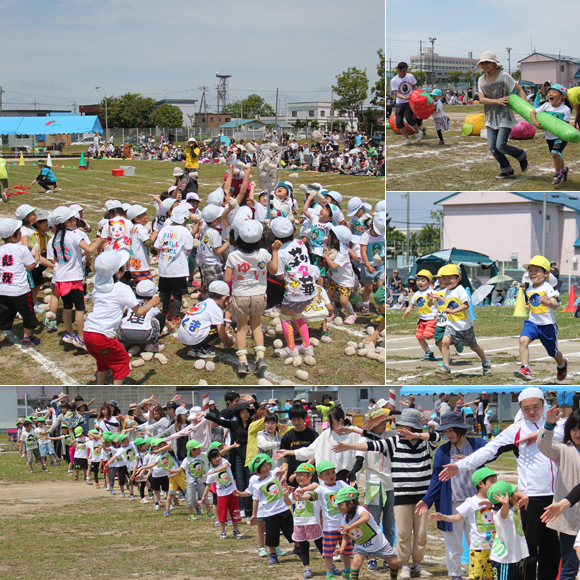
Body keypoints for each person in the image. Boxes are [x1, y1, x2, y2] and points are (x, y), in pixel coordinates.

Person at [439, 387, 562, 580]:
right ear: (520, 408)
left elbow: (573, 441)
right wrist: (460, 466)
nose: (532, 412)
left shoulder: (559, 424)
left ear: (544, 404)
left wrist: (545, 432)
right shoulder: (516, 430)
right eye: (526, 408)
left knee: (553, 549)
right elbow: (488, 450)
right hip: (531, 497)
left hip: (558, 498)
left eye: (536, 407)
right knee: (529, 550)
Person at [333, 408, 439, 579]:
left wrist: (417, 436)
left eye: (408, 427)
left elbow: (437, 437)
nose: (403, 429)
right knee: (398, 531)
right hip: (392, 492)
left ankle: (413, 563)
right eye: (402, 426)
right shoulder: (394, 441)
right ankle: (398, 563)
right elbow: (370, 443)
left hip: (418, 495)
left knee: (418, 532)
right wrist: (349, 446)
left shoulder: (421, 441)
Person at [416, 412, 490, 580]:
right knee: (453, 544)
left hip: (477, 503)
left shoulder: (477, 444)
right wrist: (427, 500)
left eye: (452, 430)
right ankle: (455, 574)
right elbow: (436, 478)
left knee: (478, 542)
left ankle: (478, 574)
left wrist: (471, 460)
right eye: (445, 431)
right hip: (451, 504)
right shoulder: (442, 451)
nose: (449, 434)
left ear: (460, 429)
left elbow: (492, 457)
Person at [83, 250, 160, 385]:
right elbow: (139, 312)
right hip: (103, 336)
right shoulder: (122, 288)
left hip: (88, 332)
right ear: (119, 271)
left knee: (102, 360)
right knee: (122, 362)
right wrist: (152, 303)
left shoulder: (97, 287)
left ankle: (100, 386)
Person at [345, 408, 395, 572]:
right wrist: (353, 472)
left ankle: (388, 555)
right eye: (382, 422)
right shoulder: (364, 440)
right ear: (373, 425)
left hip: (390, 485)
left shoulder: (389, 437)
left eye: (386, 421)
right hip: (373, 485)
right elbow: (359, 460)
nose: (385, 425)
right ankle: (371, 557)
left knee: (389, 524)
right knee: (372, 523)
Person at [429, 467, 500, 580]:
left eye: (496, 481)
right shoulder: (471, 502)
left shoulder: (497, 501)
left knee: (490, 576)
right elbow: (458, 517)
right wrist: (442, 517)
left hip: (494, 547)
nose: (495, 484)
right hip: (478, 547)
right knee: (475, 576)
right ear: (481, 484)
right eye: (492, 481)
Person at [537, 406, 580, 580]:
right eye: (574, 429)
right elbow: (543, 445)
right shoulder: (563, 450)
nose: (577, 433)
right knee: (569, 565)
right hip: (569, 516)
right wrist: (548, 425)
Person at [224, 220, 271, 376]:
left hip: (240, 295)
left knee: (242, 329)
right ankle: (260, 357)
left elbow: (227, 279)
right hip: (259, 294)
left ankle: (243, 361)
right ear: (260, 238)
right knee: (257, 326)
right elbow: (273, 269)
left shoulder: (233, 256)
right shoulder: (264, 254)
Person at [294, 461, 353, 580]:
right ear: (320, 477)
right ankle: (329, 573)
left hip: (345, 526)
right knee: (328, 553)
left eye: (333, 472)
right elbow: (311, 495)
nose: (332, 475)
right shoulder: (321, 489)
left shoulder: (341, 484)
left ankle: (347, 571)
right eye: (327, 473)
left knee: (346, 551)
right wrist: (301, 497)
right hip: (329, 527)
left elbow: (352, 492)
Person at [513, 255, 567, 382]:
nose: (532, 273)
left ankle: (562, 365)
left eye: (537, 270)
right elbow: (532, 306)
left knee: (553, 353)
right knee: (523, 340)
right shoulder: (530, 288)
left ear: (546, 273)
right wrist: (531, 316)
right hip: (533, 323)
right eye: (530, 270)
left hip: (547, 325)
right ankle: (525, 368)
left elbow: (555, 305)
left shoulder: (547, 287)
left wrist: (547, 302)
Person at [476, 51, 529, 178]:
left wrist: (526, 108)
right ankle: (507, 170)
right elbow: (482, 99)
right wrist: (496, 101)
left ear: (494, 63)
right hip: (490, 117)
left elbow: (519, 89)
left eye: (487, 62)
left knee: (501, 146)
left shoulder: (504, 76)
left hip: (505, 116)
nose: (485, 65)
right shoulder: (481, 80)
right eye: (482, 63)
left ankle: (521, 155)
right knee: (493, 148)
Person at [433, 264, 491, 377]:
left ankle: (485, 362)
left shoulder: (461, 290)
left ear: (459, 278)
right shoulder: (447, 291)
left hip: (465, 326)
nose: (447, 281)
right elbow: (447, 300)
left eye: (450, 278)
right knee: (445, 342)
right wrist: (438, 306)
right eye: (444, 278)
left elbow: (465, 305)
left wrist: (453, 311)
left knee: (474, 346)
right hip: (452, 324)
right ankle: (446, 366)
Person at [336, 486, 399, 580]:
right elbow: (346, 535)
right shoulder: (344, 517)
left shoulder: (360, 509)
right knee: (355, 565)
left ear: (351, 503)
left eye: (340, 504)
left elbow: (366, 518)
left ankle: (393, 578)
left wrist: (350, 526)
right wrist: (342, 547)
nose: (338, 507)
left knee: (394, 563)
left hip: (379, 542)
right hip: (361, 544)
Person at [0, 218, 41, 347]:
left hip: (3, 290)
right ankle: (27, 339)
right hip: (20, 291)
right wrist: (37, 256)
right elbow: (30, 266)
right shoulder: (22, 249)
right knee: (28, 314)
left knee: (2, 316)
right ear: (13, 236)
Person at [247, 454, 292, 565]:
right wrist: (254, 515)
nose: (267, 467)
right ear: (257, 472)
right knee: (272, 535)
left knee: (292, 531)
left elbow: (285, 464)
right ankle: (273, 555)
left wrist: (283, 472)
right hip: (270, 513)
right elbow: (255, 499)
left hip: (283, 509)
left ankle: (299, 549)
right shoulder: (257, 484)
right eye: (264, 466)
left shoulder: (274, 473)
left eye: (268, 464)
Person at [177, 280, 234, 359]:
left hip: (182, 337)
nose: (226, 303)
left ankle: (194, 347)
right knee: (220, 325)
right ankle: (204, 349)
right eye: (227, 300)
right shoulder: (216, 309)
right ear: (223, 298)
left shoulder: (202, 303)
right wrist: (229, 343)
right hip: (192, 338)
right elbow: (222, 335)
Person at [529, 84, 572, 185]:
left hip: (560, 136)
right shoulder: (546, 106)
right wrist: (535, 123)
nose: (550, 94)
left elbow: (564, 125)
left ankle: (558, 174)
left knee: (555, 154)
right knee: (557, 155)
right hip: (549, 137)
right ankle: (564, 169)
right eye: (549, 92)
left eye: (554, 92)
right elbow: (532, 113)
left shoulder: (565, 109)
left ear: (562, 96)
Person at [200, 446, 243, 539]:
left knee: (235, 512)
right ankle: (223, 531)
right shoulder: (211, 471)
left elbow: (225, 466)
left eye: (218, 456)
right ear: (210, 461)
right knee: (222, 514)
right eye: (214, 458)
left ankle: (236, 530)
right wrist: (204, 496)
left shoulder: (224, 461)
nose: (217, 459)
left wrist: (215, 471)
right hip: (222, 495)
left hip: (233, 492)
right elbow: (208, 485)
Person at [403, 270, 437, 361]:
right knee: (420, 337)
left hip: (431, 319)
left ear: (429, 282)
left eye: (423, 280)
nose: (419, 282)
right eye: (418, 280)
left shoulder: (432, 292)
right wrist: (407, 311)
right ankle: (428, 353)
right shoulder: (417, 294)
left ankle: (442, 335)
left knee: (427, 336)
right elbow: (412, 305)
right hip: (421, 319)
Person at [390, 62, 423, 145]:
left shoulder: (410, 76)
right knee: (398, 122)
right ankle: (407, 139)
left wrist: (419, 93)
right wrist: (404, 97)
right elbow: (397, 93)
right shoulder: (394, 80)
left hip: (410, 101)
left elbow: (414, 86)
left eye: (406, 70)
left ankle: (418, 131)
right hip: (400, 103)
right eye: (403, 71)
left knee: (409, 119)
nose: (405, 72)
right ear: (399, 70)